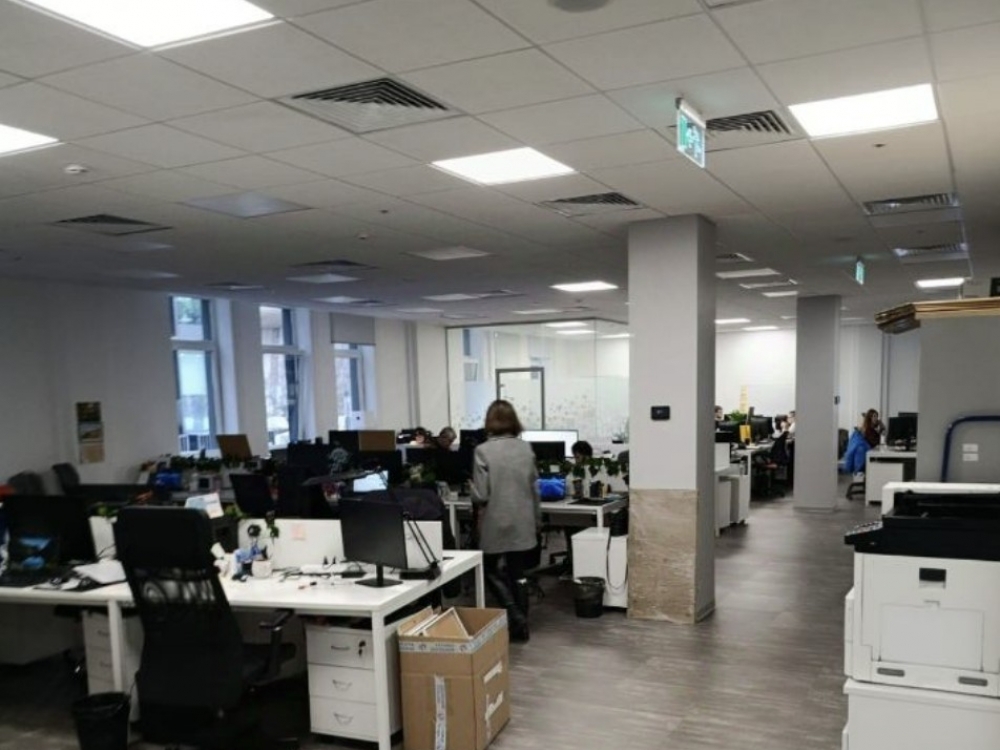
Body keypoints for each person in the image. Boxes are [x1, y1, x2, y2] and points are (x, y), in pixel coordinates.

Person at [471, 400, 539, 643]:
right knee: (518, 573)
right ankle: (520, 626)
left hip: (496, 520)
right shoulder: (526, 449)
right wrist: (537, 519)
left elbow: (481, 495)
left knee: (489, 569)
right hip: (524, 520)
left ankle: (516, 616)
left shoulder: (482, 451)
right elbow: (534, 487)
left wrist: (470, 487)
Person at [844, 409, 883, 479]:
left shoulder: (872, 429)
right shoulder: (867, 429)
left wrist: (881, 426)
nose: (876, 418)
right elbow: (874, 442)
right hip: (863, 451)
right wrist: (880, 429)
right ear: (869, 417)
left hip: (866, 451)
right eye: (874, 416)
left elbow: (877, 441)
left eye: (877, 416)